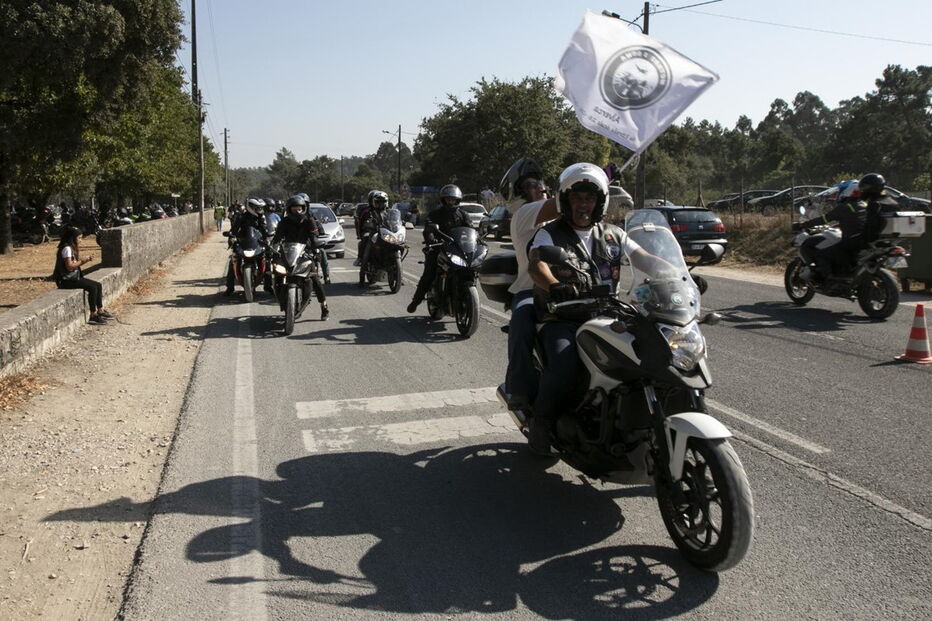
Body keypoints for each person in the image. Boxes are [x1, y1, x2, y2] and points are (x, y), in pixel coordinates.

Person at [525, 163, 668, 454]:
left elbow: (644, 258)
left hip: (609, 313)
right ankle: (542, 421)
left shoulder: (613, 234)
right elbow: (537, 264)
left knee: (653, 354)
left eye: (589, 198)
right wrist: (554, 285)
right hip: (564, 315)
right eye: (577, 198)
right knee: (564, 363)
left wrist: (676, 275)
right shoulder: (550, 233)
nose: (583, 204)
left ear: (599, 201)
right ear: (565, 201)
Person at [498, 157, 556, 411]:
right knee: (522, 319)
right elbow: (564, 204)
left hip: (573, 291)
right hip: (530, 290)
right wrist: (599, 181)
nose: (539, 187)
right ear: (519, 192)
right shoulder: (524, 214)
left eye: (541, 183)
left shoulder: (562, 221)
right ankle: (518, 387)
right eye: (532, 185)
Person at [793, 173, 894, 281]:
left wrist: (802, 224)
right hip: (865, 238)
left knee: (822, 254)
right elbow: (855, 220)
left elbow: (824, 219)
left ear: (846, 191)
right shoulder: (864, 205)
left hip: (852, 240)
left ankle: (828, 278)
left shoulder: (844, 207)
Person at [407, 184, 470, 312]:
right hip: (439, 247)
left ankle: (466, 293)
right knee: (429, 273)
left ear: (458, 200)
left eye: (453, 199)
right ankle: (416, 300)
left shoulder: (463, 215)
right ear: (443, 200)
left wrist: (477, 239)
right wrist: (431, 239)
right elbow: (429, 228)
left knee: (470, 268)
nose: (450, 202)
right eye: (448, 199)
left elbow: (471, 229)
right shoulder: (435, 214)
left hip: (458, 249)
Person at [272, 195, 330, 320]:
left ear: (304, 208)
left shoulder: (309, 221)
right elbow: (277, 238)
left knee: (315, 280)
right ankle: (282, 298)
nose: (297, 211)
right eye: (294, 209)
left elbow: (314, 237)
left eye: (299, 209)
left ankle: (324, 307)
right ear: (289, 209)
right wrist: (273, 249)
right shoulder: (284, 222)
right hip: (288, 253)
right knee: (276, 273)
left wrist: (316, 247)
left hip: (306, 253)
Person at [53, 226, 113, 325]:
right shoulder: (67, 248)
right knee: (93, 287)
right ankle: (93, 315)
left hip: (72, 278)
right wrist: (83, 261)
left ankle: (100, 310)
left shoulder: (70, 248)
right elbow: (69, 266)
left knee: (98, 285)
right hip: (66, 280)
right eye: (79, 238)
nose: (80, 240)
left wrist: (86, 259)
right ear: (72, 238)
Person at [224, 197, 270, 295]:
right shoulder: (241, 217)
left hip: (256, 243)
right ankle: (230, 287)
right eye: (257, 208)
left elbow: (264, 229)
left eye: (259, 208)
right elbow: (235, 228)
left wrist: (267, 237)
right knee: (233, 261)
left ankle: (268, 286)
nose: (259, 210)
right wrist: (231, 234)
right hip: (243, 243)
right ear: (251, 207)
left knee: (267, 261)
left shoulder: (261, 217)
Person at [356, 190, 391, 286]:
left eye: (383, 201)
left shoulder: (389, 212)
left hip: (386, 233)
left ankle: (397, 274)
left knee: (399, 243)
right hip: (372, 233)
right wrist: (361, 234)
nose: (381, 204)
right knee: (367, 243)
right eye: (378, 201)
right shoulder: (367, 211)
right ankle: (362, 276)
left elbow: (395, 221)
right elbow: (360, 223)